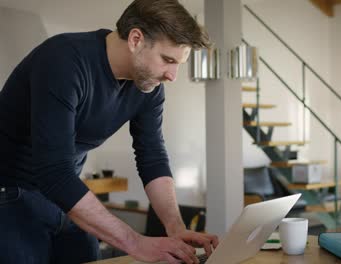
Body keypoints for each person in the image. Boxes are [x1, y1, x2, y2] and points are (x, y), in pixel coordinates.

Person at [0, 0, 218, 263]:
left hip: (62, 196)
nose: (172, 76)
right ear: (136, 39)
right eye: (167, 60)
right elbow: (54, 171)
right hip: (10, 194)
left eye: (178, 64)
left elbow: (153, 159)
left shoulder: (148, 87)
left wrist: (176, 228)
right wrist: (135, 242)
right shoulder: (64, 60)